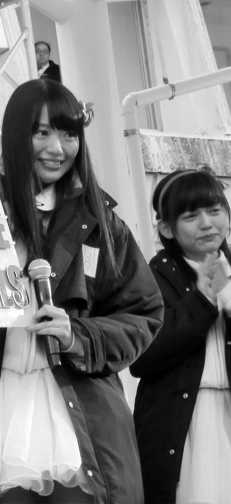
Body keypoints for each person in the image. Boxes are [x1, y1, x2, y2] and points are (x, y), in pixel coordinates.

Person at [0, 78, 163, 503]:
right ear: (18, 135)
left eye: (69, 134)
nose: (57, 148)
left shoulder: (101, 223)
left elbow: (142, 312)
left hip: (77, 410)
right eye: (42, 133)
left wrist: (78, 335)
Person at [131, 168, 231, 504]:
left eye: (215, 210)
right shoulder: (150, 278)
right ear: (166, 228)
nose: (207, 223)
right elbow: (141, 355)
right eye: (191, 216)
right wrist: (202, 301)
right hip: (180, 424)